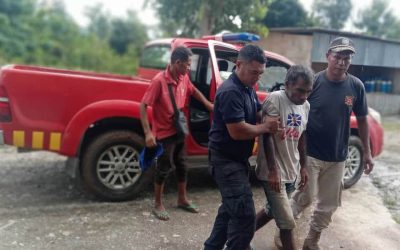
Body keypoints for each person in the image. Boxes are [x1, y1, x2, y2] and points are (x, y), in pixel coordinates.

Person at [290, 37, 374, 250]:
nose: (342, 62)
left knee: (328, 205)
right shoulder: (314, 82)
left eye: (347, 58)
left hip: (338, 156)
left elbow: (363, 119)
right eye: (337, 56)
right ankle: (284, 233)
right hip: (311, 153)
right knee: (304, 197)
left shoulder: (356, 86)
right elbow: (297, 112)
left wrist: (367, 152)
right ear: (328, 56)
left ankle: (311, 241)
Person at [204, 44, 280, 250]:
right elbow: (237, 131)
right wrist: (265, 127)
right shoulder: (230, 91)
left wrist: (269, 114)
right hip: (225, 161)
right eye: (254, 72)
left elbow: (255, 111)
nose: (258, 77)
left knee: (230, 210)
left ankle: (211, 247)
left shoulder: (247, 88)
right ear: (239, 65)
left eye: (261, 73)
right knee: (245, 217)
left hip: (237, 161)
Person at [140, 46, 213, 221]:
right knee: (164, 167)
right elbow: (143, 106)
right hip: (164, 133)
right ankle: (158, 204)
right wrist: (148, 133)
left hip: (179, 128)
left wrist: (208, 104)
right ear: (177, 63)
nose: (189, 68)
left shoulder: (183, 77)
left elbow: (193, 90)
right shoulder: (159, 81)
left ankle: (182, 199)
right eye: (187, 65)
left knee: (182, 164)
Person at [254, 65, 314, 250]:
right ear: (287, 84)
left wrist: (303, 166)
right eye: (300, 90)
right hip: (273, 172)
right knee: (287, 222)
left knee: (272, 211)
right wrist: (273, 170)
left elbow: (302, 136)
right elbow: (267, 135)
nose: (304, 96)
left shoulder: (305, 106)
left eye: (308, 92)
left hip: (291, 170)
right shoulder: (275, 100)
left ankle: (238, 236)